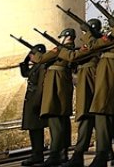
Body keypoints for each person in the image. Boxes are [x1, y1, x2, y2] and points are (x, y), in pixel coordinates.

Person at [87, 11, 114, 167]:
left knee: (102, 114)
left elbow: (93, 46)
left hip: (109, 78)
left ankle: (102, 155)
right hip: (110, 76)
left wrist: (87, 33)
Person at [62, 19, 103, 167]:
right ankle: (79, 154)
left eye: (85, 32)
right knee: (88, 121)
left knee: (94, 120)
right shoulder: (94, 43)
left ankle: (99, 154)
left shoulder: (95, 44)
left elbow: (74, 56)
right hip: (88, 82)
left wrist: (63, 49)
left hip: (90, 83)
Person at [33, 28, 77, 167]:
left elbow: (40, 59)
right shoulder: (69, 50)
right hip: (62, 87)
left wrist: (35, 52)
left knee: (55, 122)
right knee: (62, 121)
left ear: (66, 37)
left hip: (55, 88)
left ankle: (55, 154)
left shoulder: (60, 50)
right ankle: (62, 153)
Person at [20, 43, 50, 166]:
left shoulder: (42, 66)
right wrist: (26, 60)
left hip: (35, 100)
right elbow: (25, 73)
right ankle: (36, 153)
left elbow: (41, 85)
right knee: (33, 128)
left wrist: (37, 102)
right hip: (31, 99)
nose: (31, 56)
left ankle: (37, 154)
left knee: (36, 128)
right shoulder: (36, 66)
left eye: (33, 54)